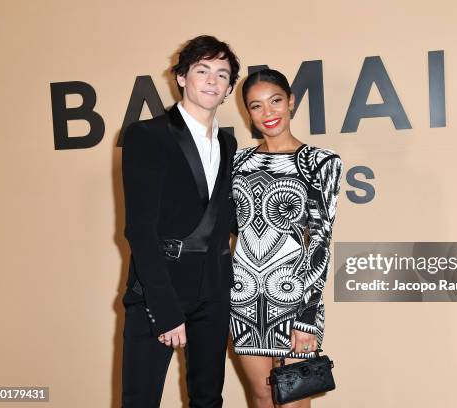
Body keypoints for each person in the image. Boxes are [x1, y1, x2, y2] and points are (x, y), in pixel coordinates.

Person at [120, 35, 239, 408]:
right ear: (182, 77)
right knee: (140, 401)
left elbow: (223, 217)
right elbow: (140, 230)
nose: (211, 80)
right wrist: (166, 309)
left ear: (229, 88)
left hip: (214, 294)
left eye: (221, 74)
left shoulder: (228, 144)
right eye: (201, 70)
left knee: (208, 400)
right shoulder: (147, 135)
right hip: (159, 291)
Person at [230, 69, 343, 408]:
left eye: (275, 101)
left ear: (291, 101)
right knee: (262, 395)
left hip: (296, 296)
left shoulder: (320, 162)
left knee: (294, 398)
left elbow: (321, 240)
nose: (268, 113)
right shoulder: (237, 162)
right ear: (247, 112)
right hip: (244, 296)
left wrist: (307, 315)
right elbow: (231, 230)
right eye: (257, 106)